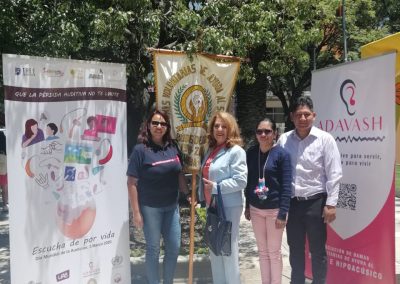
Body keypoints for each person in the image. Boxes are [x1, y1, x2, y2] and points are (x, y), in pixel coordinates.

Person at [277, 96, 342, 284]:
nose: (303, 118)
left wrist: (331, 204)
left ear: (314, 115)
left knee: (318, 251)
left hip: (316, 203)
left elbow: (335, 173)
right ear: (291, 117)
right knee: (295, 249)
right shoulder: (283, 140)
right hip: (293, 204)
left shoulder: (325, 139)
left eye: (306, 114)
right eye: (299, 115)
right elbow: (279, 172)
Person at [127, 110, 190, 284]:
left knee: (174, 248)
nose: (159, 127)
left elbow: (179, 174)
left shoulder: (173, 147)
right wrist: (136, 212)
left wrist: (187, 194)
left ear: (167, 127)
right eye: (155, 123)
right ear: (148, 125)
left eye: (163, 124)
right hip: (150, 209)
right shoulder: (140, 150)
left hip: (171, 207)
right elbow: (131, 183)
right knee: (153, 249)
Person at [199, 111, 247, 284]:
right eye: (216, 126)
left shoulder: (236, 151)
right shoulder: (211, 150)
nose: (219, 129)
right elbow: (204, 176)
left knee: (228, 249)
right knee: (215, 248)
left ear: (230, 129)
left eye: (224, 126)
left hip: (229, 206)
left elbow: (241, 181)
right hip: (212, 206)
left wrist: (217, 187)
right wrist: (199, 197)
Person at [244, 118, 292, 284]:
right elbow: (249, 182)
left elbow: (287, 186)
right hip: (256, 209)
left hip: (274, 211)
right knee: (262, 252)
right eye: (259, 131)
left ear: (274, 134)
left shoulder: (282, 155)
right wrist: (247, 206)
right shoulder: (251, 153)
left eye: (267, 131)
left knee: (274, 252)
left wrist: (283, 213)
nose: (263, 134)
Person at [0, 131, 8, 212]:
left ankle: (5, 205)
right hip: (3, 162)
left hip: (3, 162)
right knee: (4, 186)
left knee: (4, 186)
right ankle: (5, 205)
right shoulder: (4, 136)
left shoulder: (3, 136)